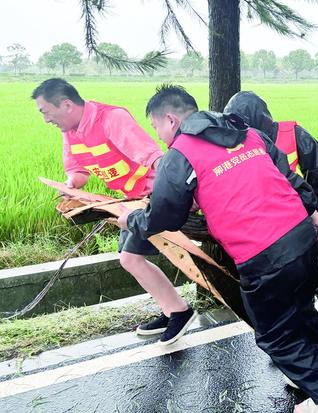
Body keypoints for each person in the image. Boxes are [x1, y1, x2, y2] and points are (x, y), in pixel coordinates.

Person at [118, 85, 318, 413]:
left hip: (264, 253)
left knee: (274, 335)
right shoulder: (248, 134)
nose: (158, 135)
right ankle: (317, 375)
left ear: (171, 119)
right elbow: (290, 177)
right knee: (301, 312)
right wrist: (314, 215)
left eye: (156, 127)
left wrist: (132, 220)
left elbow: (165, 214)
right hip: (301, 237)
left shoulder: (181, 153)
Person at [32, 78, 196, 345]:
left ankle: (179, 311)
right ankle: (174, 309)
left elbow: (153, 157)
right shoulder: (70, 132)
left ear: (66, 104)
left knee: (131, 258)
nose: (46, 119)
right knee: (129, 258)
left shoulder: (111, 118)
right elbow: (78, 173)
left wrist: (175, 194)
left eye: (46, 112)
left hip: (153, 195)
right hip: (129, 200)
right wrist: (70, 186)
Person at [224, 91, 318, 341]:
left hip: (303, 223)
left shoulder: (295, 136)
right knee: (287, 282)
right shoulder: (239, 145)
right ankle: (295, 341)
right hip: (268, 229)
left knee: (310, 275)